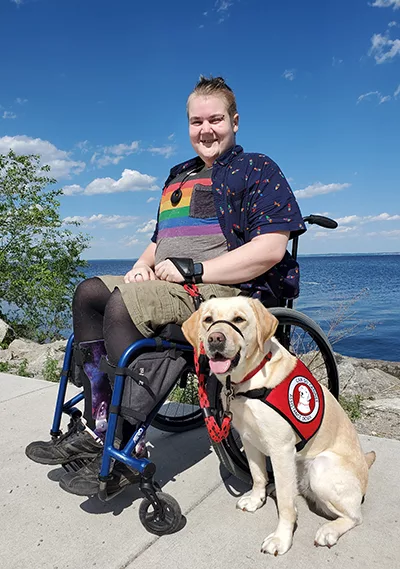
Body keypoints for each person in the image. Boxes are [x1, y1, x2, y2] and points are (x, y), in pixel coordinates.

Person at [25, 76, 306, 495]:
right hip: (167, 281)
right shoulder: (179, 174)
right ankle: (98, 421)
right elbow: (161, 240)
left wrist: (196, 270)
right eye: (197, 121)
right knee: (88, 293)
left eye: (216, 119)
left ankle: (123, 440)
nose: (206, 129)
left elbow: (269, 249)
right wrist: (141, 265)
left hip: (219, 291)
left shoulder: (256, 169)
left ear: (235, 121)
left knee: (123, 305)